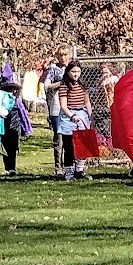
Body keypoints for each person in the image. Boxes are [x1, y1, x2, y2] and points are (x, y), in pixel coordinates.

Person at [57, 60, 93, 181]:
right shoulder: (64, 86)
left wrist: (90, 115)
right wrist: (72, 116)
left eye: (78, 71)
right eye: (73, 71)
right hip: (69, 118)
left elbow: (87, 102)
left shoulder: (83, 85)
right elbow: (63, 106)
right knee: (69, 146)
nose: (76, 74)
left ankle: (80, 170)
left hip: (82, 116)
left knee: (83, 145)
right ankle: (69, 172)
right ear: (68, 72)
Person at [41, 45, 71, 179]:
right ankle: (58, 168)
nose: (63, 58)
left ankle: (71, 167)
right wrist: (62, 82)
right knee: (59, 138)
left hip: (72, 106)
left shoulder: (74, 68)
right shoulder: (53, 70)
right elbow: (47, 86)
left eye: (65, 55)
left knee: (71, 138)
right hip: (57, 107)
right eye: (61, 55)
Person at [0, 80, 23, 175]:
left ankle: (12, 168)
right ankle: (7, 167)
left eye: (12, 89)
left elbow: (23, 115)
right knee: (4, 147)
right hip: (2, 125)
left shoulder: (17, 101)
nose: (10, 91)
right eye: (7, 89)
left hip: (14, 126)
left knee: (13, 147)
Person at [93, 62, 120, 150]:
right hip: (103, 106)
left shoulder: (114, 79)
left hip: (112, 103)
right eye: (102, 72)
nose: (104, 74)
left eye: (106, 72)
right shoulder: (100, 81)